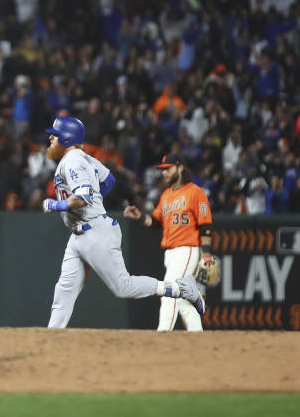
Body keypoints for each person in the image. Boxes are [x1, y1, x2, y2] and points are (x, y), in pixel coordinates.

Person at [41, 116, 204, 328]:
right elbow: (108, 179)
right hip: (81, 233)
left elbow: (83, 198)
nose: (51, 138)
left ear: (67, 139)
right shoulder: (85, 158)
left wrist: (57, 206)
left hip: (95, 233)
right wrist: (94, 201)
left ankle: (181, 288)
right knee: (64, 289)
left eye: (55, 135)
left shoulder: (72, 161)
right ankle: (51, 337)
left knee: (123, 287)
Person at [124, 154, 214, 332]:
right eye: (163, 169)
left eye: (168, 168)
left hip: (187, 249)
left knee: (169, 294)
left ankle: (162, 335)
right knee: (184, 302)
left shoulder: (196, 192)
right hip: (170, 253)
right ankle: (199, 340)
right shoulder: (166, 195)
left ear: (180, 168)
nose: (164, 173)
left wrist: (206, 253)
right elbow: (156, 222)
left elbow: (205, 226)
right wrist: (140, 216)